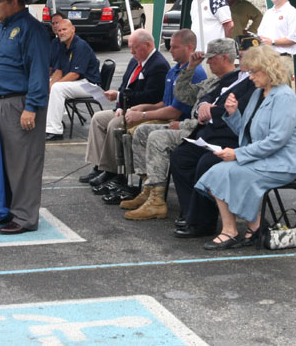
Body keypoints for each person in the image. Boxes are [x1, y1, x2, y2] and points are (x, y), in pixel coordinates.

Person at [193, 44, 296, 250]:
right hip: (262, 158)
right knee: (216, 172)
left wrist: (237, 154)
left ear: (269, 69)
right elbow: (246, 131)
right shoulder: (258, 94)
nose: (250, 77)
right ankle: (241, 228)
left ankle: (243, 228)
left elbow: (276, 141)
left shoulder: (285, 98)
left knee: (223, 172)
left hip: (282, 163)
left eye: (253, 72)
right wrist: (233, 113)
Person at [0, 0, 50, 235]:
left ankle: (25, 217)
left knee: (23, 164)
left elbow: (38, 71)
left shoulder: (32, 30)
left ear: (15, 2)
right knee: (2, 162)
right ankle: (6, 209)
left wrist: (32, 107)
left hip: (18, 104)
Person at [103, 29, 206, 210]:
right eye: (170, 46)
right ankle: (146, 187)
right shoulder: (174, 70)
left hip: (182, 123)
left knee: (139, 131)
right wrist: (143, 107)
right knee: (131, 129)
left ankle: (153, 194)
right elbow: (163, 103)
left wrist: (142, 115)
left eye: (175, 47)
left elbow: (174, 112)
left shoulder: (194, 73)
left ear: (190, 47)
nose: (170, 50)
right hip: (169, 118)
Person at [168, 38, 257, 238]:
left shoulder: (254, 82)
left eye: (243, 56)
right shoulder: (236, 77)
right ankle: (192, 214)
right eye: (240, 55)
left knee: (205, 162)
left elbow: (238, 109)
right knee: (180, 157)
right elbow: (210, 94)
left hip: (230, 137)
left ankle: (203, 222)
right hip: (210, 133)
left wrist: (211, 111)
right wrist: (203, 106)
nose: (239, 60)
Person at [83, 29, 170, 188]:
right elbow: (124, 87)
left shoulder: (159, 65)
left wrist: (121, 99)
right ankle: (98, 165)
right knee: (97, 119)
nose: (131, 51)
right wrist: (119, 105)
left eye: (135, 47)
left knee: (114, 125)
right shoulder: (134, 61)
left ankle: (113, 171)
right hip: (126, 108)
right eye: (130, 47)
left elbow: (151, 96)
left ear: (148, 45)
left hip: (146, 111)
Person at [45, 20, 101, 141]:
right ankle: (51, 122)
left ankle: (54, 130)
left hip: (90, 85)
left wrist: (55, 86)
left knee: (57, 88)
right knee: (48, 85)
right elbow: (59, 70)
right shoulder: (63, 45)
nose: (61, 33)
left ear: (73, 29)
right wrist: (50, 84)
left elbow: (75, 74)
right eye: (59, 30)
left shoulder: (80, 45)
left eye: (64, 29)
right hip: (77, 84)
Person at [257, 0, 296, 82]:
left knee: (282, 95)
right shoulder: (268, 13)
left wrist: (272, 42)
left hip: (282, 60)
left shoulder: (292, 13)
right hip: (266, 59)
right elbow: (260, 33)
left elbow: (294, 39)